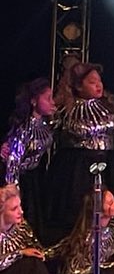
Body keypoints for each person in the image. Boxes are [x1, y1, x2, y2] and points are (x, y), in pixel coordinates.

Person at [47, 62, 114, 237]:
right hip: (77, 167)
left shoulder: (109, 107)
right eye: (92, 82)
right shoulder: (66, 110)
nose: (98, 85)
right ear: (79, 86)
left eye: (99, 81)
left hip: (106, 163)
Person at [2, 78, 57, 242]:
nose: (52, 102)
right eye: (47, 98)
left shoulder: (45, 124)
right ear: (34, 101)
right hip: (22, 179)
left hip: (36, 176)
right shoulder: (24, 129)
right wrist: (13, 190)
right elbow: (13, 161)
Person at [0, 184, 60, 274]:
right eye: (14, 209)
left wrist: (65, 247)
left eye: (20, 206)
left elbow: (39, 250)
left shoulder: (22, 228)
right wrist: (19, 253)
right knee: (30, 264)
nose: (21, 211)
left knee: (34, 263)